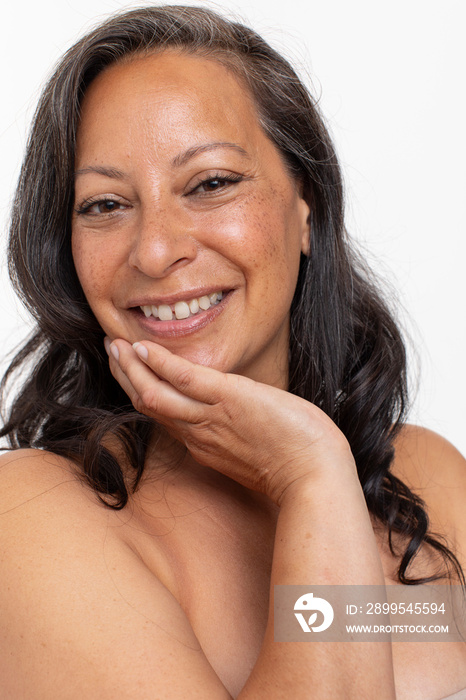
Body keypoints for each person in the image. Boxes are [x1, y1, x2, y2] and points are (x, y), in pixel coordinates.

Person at [0, 5, 465, 698]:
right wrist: (311, 476)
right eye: (103, 205)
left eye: (211, 184)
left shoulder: (429, 478)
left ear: (307, 210)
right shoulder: (29, 520)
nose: (156, 250)